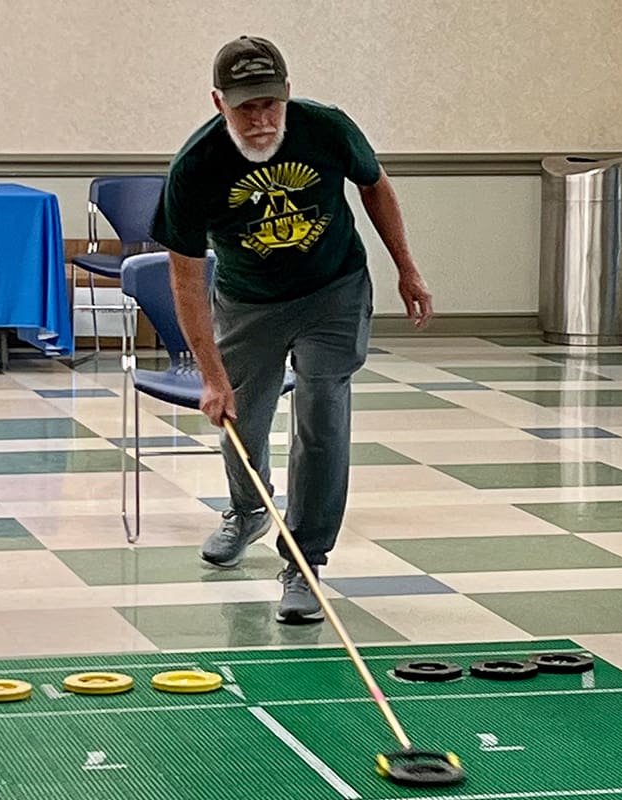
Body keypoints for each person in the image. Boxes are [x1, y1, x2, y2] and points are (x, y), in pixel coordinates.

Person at [151, 35, 433, 624]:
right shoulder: (197, 167)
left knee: (322, 412)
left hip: (334, 289)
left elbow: (375, 184)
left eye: (270, 104)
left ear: (287, 95)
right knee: (240, 415)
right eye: (244, 106)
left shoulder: (326, 129)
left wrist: (407, 269)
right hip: (248, 301)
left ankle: (305, 561)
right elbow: (184, 278)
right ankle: (248, 509)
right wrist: (210, 375)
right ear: (218, 103)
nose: (259, 120)